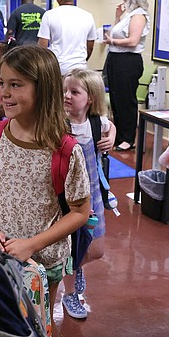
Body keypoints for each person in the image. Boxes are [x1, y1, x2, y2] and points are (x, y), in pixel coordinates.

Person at [0, 44, 90, 337]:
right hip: (0, 254)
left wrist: (33, 245)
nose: (4, 92)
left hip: (44, 258)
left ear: (41, 88)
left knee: (41, 324)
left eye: (16, 85)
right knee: (0, 327)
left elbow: (80, 212)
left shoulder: (64, 149)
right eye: (2, 83)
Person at [61, 69, 116, 319]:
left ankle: (75, 267)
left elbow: (110, 125)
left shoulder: (96, 123)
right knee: (74, 248)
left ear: (90, 98)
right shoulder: (58, 122)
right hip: (68, 197)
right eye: (65, 90)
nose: (67, 96)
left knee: (96, 249)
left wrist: (111, 138)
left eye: (74, 92)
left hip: (93, 191)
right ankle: (69, 294)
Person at [102, 0, 151, 151]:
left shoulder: (139, 15)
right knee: (116, 99)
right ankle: (120, 136)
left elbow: (132, 41)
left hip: (128, 62)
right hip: (116, 59)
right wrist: (117, 16)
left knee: (126, 100)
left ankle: (129, 139)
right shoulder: (127, 15)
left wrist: (112, 42)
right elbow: (114, 33)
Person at [37, 0, 97, 76]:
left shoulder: (49, 15)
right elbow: (90, 46)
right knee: (76, 91)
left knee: (57, 91)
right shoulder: (88, 16)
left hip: (57, 67)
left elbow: (42, 46)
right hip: (80, 68)